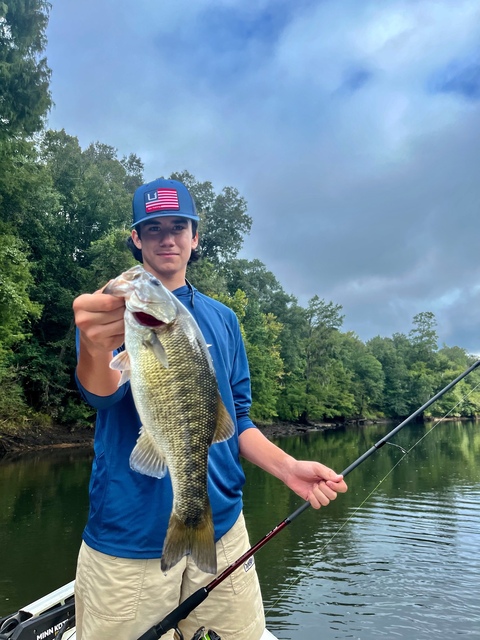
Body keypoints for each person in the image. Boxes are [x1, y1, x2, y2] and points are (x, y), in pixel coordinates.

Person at [72, 177, 348, 640]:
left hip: (223, 529)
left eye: (177, 226)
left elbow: (236, 418)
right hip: (127, 533)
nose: (166, 237)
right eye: (152, 228)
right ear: (136, 239)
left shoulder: (223, 318)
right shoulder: (110, 311)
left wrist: (287, 468)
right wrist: (94, 349)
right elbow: (100, 394)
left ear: (195, 237)